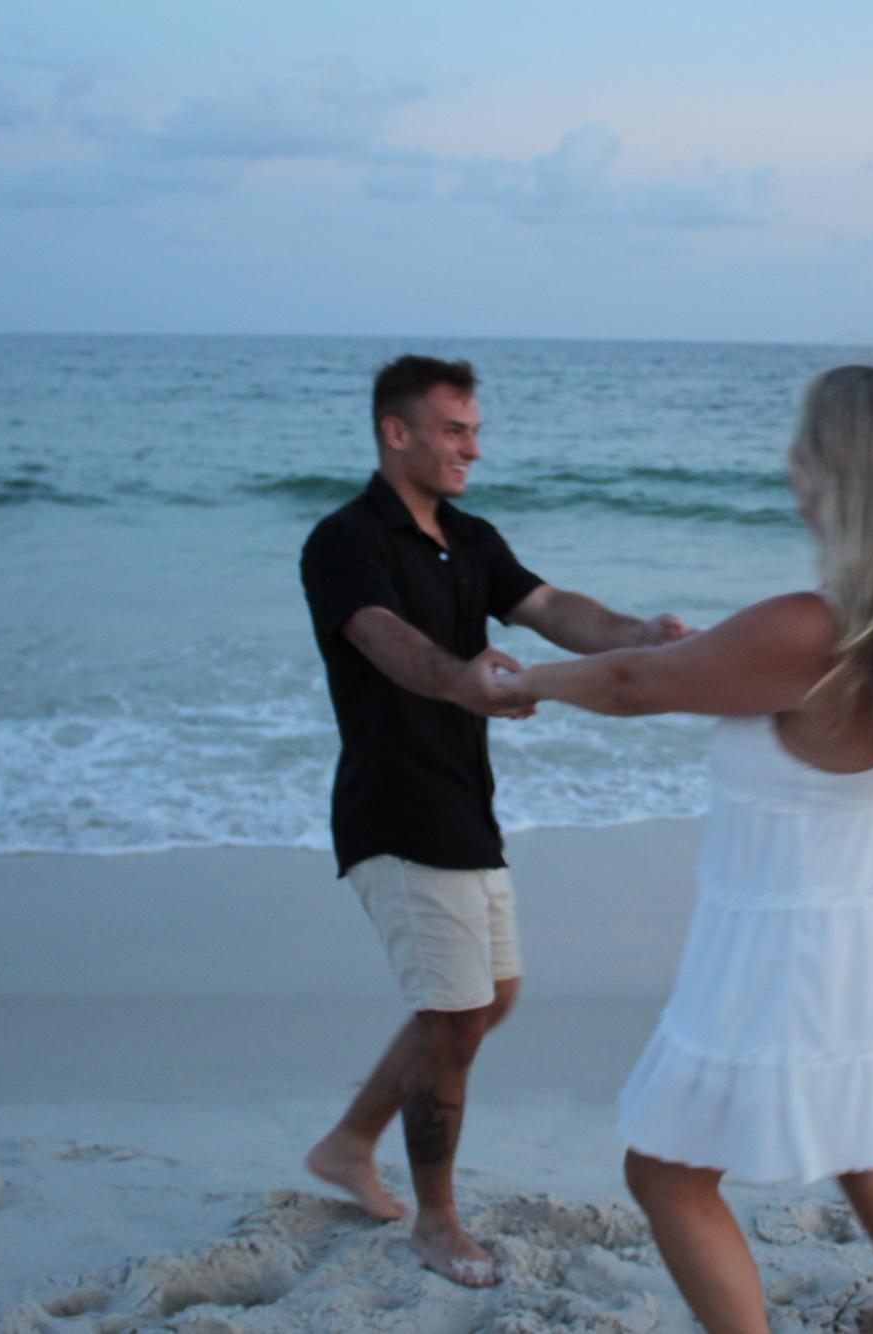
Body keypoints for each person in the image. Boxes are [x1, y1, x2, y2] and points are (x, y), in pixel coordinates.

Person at [510, 365, 873, 1334]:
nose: (788, 458)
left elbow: (633, 684)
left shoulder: (809, 627)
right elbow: (723, 674)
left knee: (665, 1173)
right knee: (854, 1107)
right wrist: (691, 648)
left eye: (805, 442)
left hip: (792, 947)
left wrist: (515, 682)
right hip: (871, 922)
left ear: (838, 470)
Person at [298, 354, 688, 1288]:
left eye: (474, 430)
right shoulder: (344, 540)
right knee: (455, 1016)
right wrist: (462, 681)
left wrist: (638, 634)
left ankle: (348, 1144)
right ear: (396, 432)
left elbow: (550, 607)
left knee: (489, 999)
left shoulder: (469, 537)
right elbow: (387, 642)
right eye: (454, 431)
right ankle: (436, 1222)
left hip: (463, 800)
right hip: (393, 808)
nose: (472, 447)